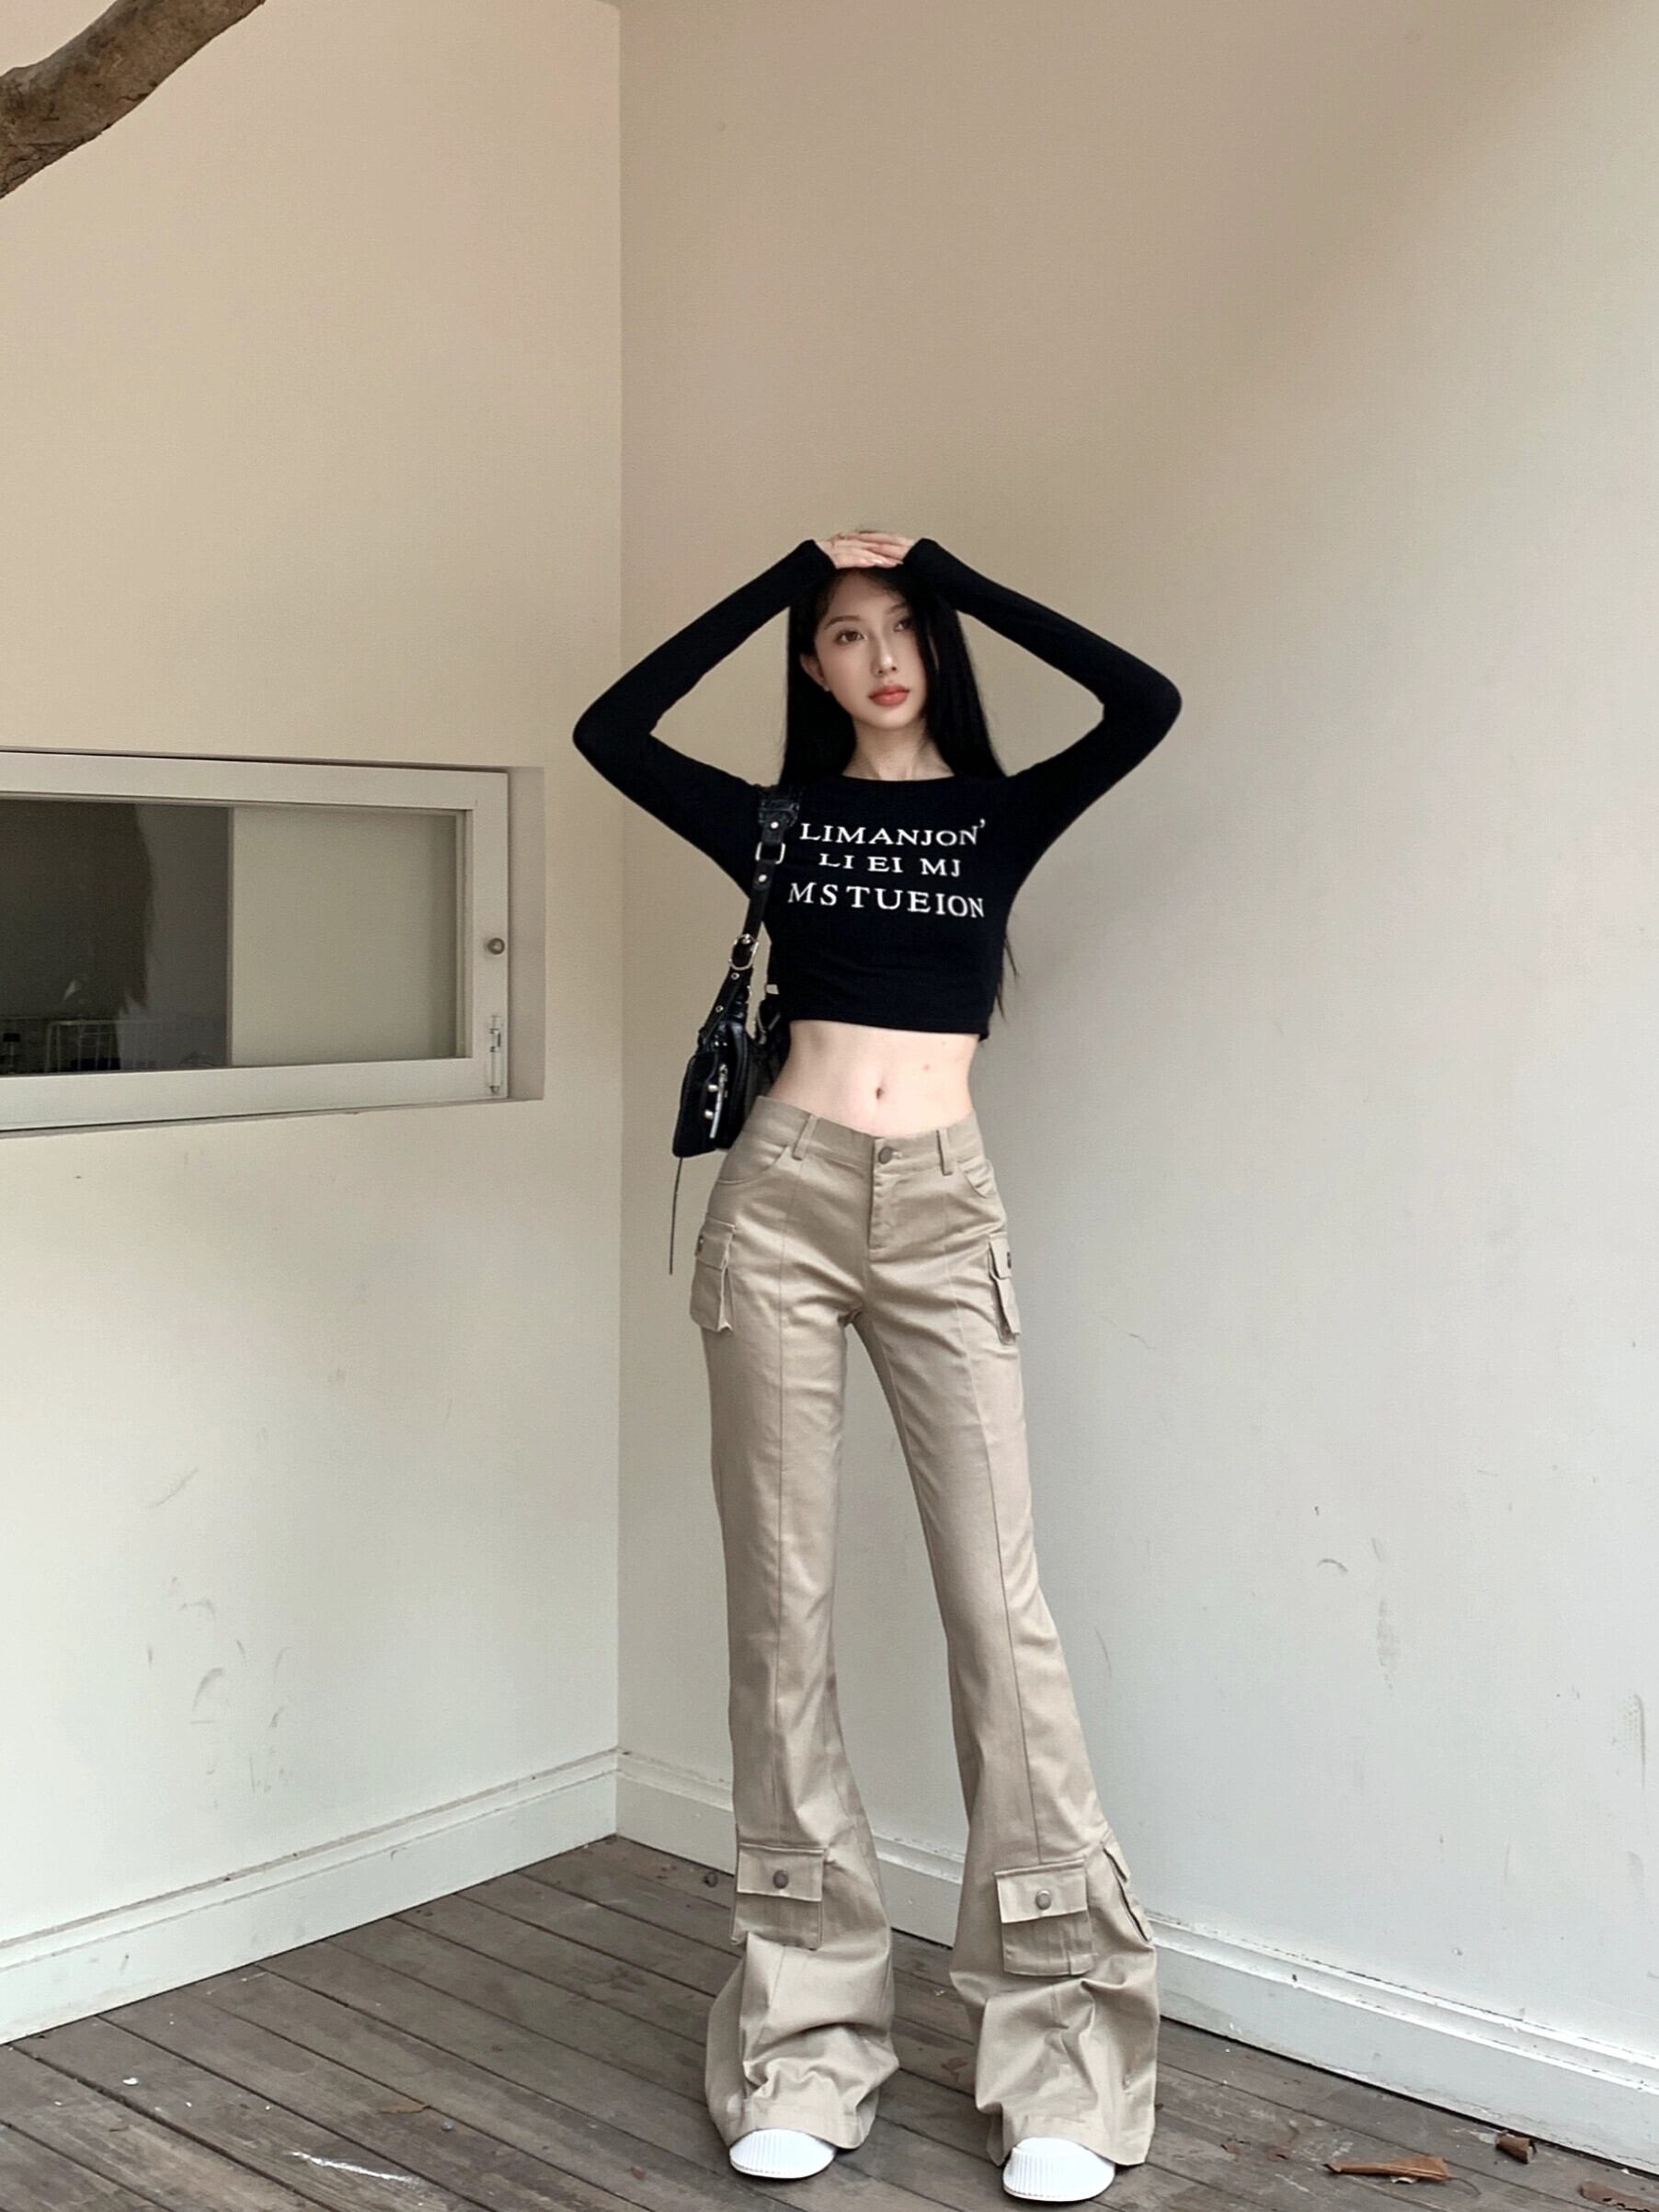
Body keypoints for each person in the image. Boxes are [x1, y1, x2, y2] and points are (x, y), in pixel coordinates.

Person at [572, 528, 1182, 2202]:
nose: (885, 654)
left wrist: (954, 574)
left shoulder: (995, 815)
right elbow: (612, 731)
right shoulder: (779, 819)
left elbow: (1143, 703)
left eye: (906, 628)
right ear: (812, 663)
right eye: (847, 633)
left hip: (942, 1209)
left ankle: (1061, 2054)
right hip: (780, 1199)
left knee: (1001, 1613)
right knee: (782, 1612)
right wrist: (784, 572)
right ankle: (803, 2035)